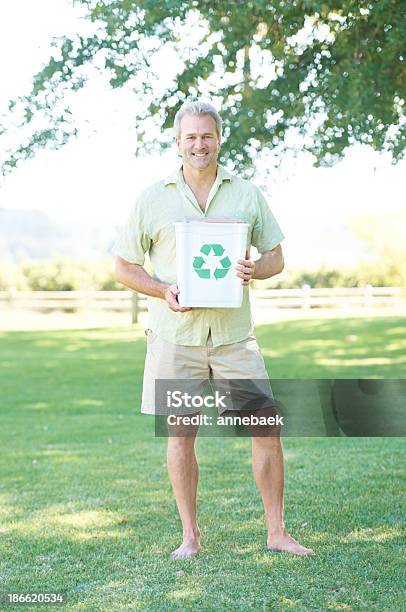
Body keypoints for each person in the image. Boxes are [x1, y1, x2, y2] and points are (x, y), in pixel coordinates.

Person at [113, 99, 314, 559]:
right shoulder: (151, 198)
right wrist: (162, 289)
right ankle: (190, 536)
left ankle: (277, 533)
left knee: (266, 429)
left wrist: (254, 268)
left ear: (218, 139)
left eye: (206, 136)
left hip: (233, 338)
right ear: (178, 142)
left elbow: (276, 257)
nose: (198, 144)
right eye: (190, 137)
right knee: (181, 434)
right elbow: (124, 266)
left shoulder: (246, 193)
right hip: (175, 339)